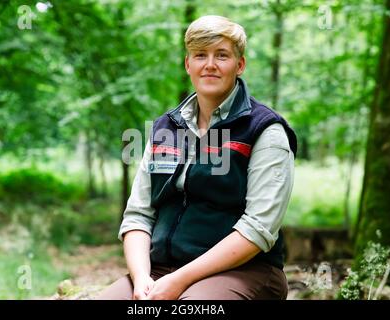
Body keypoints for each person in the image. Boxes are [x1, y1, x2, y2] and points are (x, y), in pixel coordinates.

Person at [99, 15, 297, 300]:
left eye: (222, 55)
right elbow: (138, 216)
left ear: (239, 65)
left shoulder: (265, 131)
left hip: (244, 272)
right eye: (200, 55)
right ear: (188, 64)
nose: (210, 64)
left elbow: (258, 229)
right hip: (160, 270)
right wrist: (142, 279)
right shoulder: (163, 128)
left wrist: (179, 281)